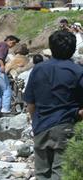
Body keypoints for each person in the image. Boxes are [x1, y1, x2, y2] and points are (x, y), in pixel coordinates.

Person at [24, 30, 83, 179]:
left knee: (41, 173)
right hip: (66, 126)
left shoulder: (38, 69)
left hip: (40, 126)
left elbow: (30, 102)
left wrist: (35, 122)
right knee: (61, 172)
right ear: (73, 48)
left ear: (51, 47)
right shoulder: (77, 71)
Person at [0, 35, 20, 119]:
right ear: (8, 40)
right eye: (13, 42)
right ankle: (5, 110)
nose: (13, 45)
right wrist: (2, 65)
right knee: (6, 89)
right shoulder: (4, 45)